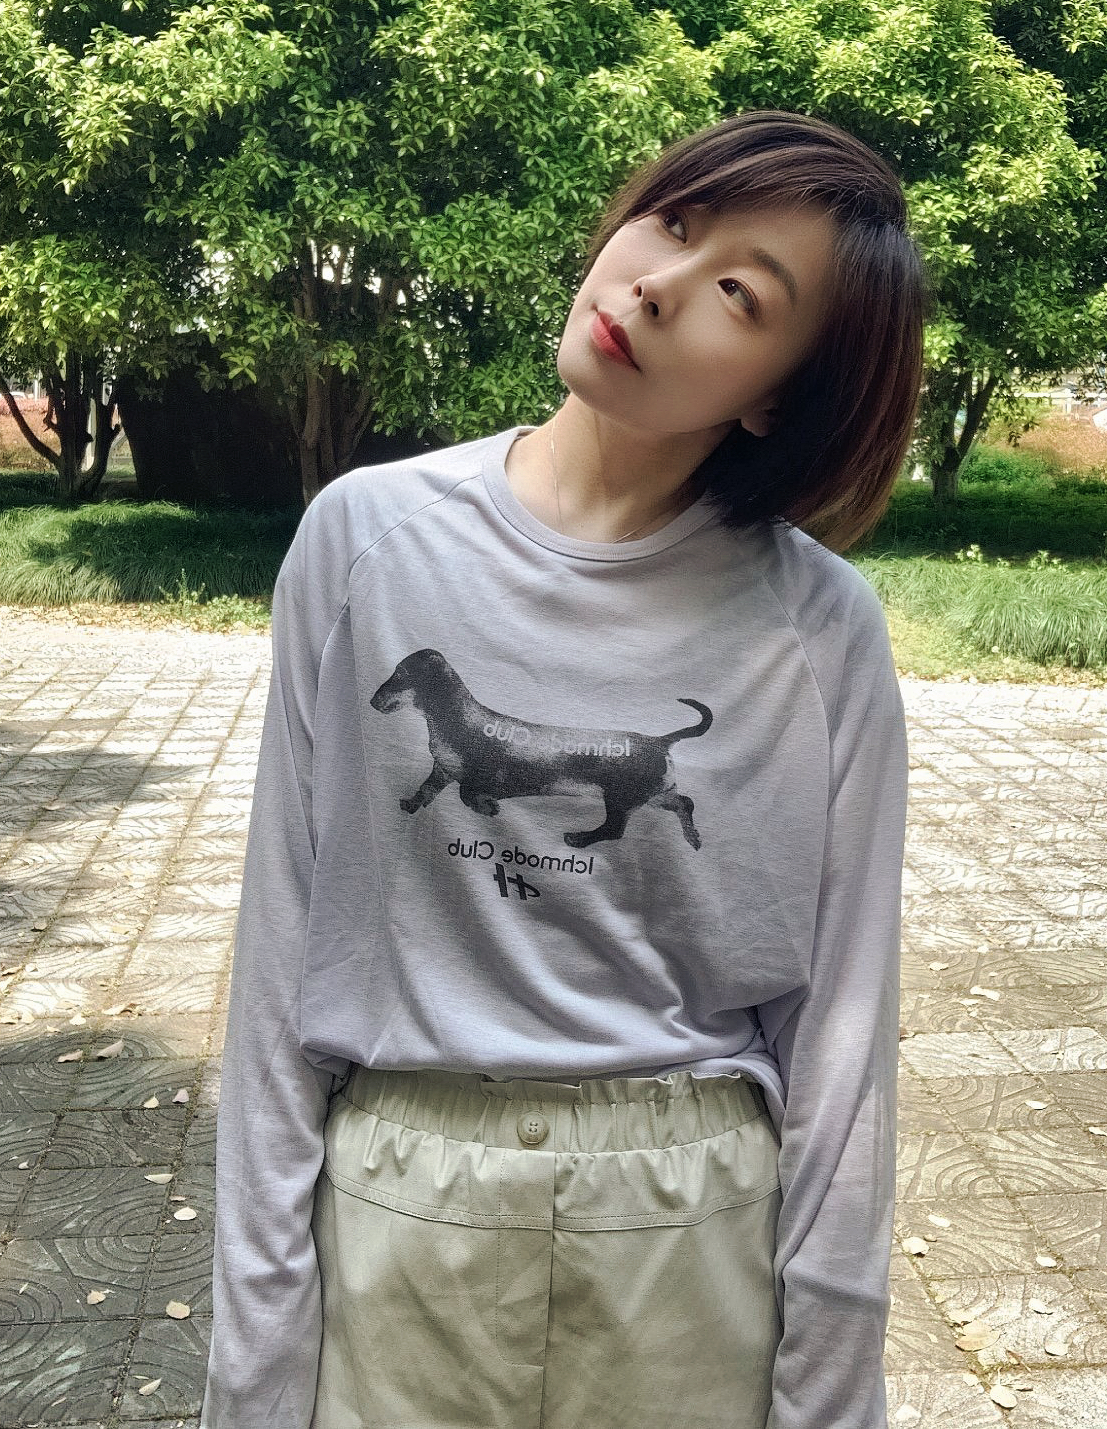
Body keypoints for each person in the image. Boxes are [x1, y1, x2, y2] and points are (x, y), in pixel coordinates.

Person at [202, 110, 929, 1429]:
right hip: (400, 1211)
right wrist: (251, 1376)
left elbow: (842, 1039)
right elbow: (280, 961)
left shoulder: (820, 632)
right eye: (675, 221)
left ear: (776, 392)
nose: (657, 283)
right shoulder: (364, 541)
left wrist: (829, 1397)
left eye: (738, 293)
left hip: (689, 1232)